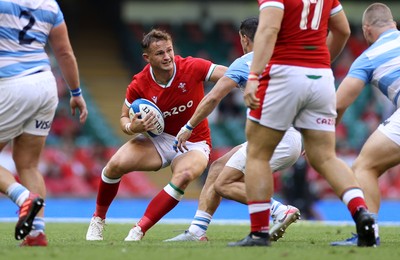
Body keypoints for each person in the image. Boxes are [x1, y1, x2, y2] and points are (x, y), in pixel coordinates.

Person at [228, 0, 377, 247]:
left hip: (283, 73)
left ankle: (258, 233)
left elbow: (268, 29)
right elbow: (342, 30)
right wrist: (320, 60)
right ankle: (363, 214)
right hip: (320, 76)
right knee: (325, 157)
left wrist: (254, 75)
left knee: (257, 154)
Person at [164, 17, 302, 243]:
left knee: (224, 184)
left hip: (271, 136)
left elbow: (213, 97)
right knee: (218, 168)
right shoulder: (285, 60)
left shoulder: (244, 62)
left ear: (244, 39)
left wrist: (188, 126)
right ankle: (197, 232)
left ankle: (279, 210)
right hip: (292, 136)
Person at [85, 29, 227, 241]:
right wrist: (133, 127)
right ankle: (98, 219)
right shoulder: (139, 83)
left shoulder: (192, 66)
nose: (167, 56)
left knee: (184, 176)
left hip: (194, 141)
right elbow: (124, 118)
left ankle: (139, 230)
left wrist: (249, 79)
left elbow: (229, 74)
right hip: (159, 140)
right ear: (147, 58)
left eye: (169, 50)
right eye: (160, 53)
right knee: (113, 166)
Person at [0, 0, 88, 247]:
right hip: (45, 85)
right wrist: (76, 93)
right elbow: (64, 52)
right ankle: (36, 233)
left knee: (24, 166)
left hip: (10, 83)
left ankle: (23, 197)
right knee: (28, 164)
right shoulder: (50, 5)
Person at [331, 2, 399, 246]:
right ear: (394, 24)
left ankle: (368, 234)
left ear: (367, 30)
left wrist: (324, 140)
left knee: (364, 166)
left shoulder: (368, 57)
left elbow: (338, 104)